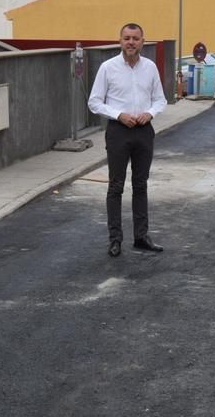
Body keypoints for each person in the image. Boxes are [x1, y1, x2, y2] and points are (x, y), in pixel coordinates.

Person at [88, 23, 167, 257]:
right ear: (120, 41)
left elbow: (160, 99)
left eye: (135, 38)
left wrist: (149, 113)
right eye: (126, 38)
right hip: (118, 131)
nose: (131, 42)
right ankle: (115, 240)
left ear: (143, 41)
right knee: (116, 186)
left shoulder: (150, 67)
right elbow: (94, 102)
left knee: (141, 185)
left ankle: (141, 237)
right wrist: (118, 114)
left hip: (144, 131)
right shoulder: (107, 68)